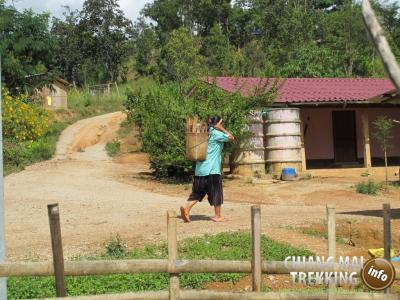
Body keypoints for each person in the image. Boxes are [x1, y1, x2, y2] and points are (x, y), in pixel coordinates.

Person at [180, 116, 234, 222]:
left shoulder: (204, 133)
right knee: (216, 192)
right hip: (212, 170)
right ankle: (217, 216)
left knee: (198, 193)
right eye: (220, 123)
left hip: (200, 169)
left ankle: (186, 207)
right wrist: (221, 128)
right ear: (217, 123)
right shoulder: (216, 134)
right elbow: (231, 137)